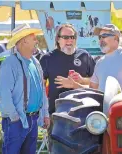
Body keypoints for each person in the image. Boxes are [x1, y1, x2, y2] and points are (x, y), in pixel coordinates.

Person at [39, 23, 96, 151]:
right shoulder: (47, 58)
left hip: (84, 113)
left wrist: (80, 80)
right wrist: (43, 111)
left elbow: (94, 82)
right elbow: (40, 86)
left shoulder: (84, 56)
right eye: (66, 37)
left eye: (72, 37)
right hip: (56, 114)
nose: (70, 40)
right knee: (57, 150)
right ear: (58, 39)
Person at [0, 23, 50, 154]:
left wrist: (45, 115)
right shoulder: (9, 63)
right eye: (33, 37)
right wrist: (14, 117)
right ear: (24, 40)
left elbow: (42, 91)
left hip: (33, 119)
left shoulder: (35, 62)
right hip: (17, 121)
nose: (36, 41)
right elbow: (4, 94)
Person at [55, 24, 122, 92]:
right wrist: (75, 85)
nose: (101, 39)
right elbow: (93, 90)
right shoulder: (100, 62)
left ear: (116, 38)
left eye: (104, 36)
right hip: (102, 113)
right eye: (99, 37)